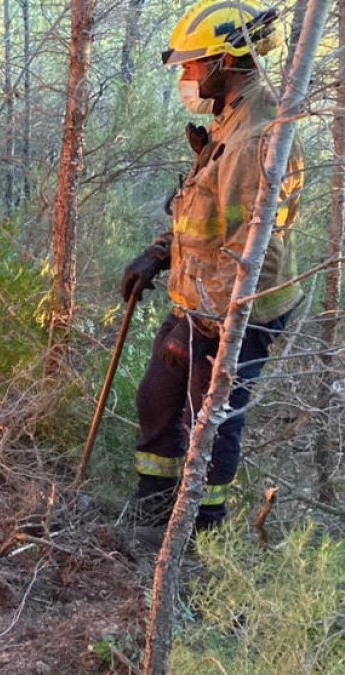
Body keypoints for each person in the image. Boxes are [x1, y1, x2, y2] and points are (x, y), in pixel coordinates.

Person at [121, 0, 303, 531]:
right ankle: (153, 509)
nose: (185, 74)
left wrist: (203, 326)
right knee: (157, 398)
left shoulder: (257, 136)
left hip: (238, 311)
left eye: (192, 64)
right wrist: (159, 252)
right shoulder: (232, 115)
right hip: (201, 299)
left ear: (226, 61)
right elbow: (204, 212)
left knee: (210, 424)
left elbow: (251, 250)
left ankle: (201, 538)